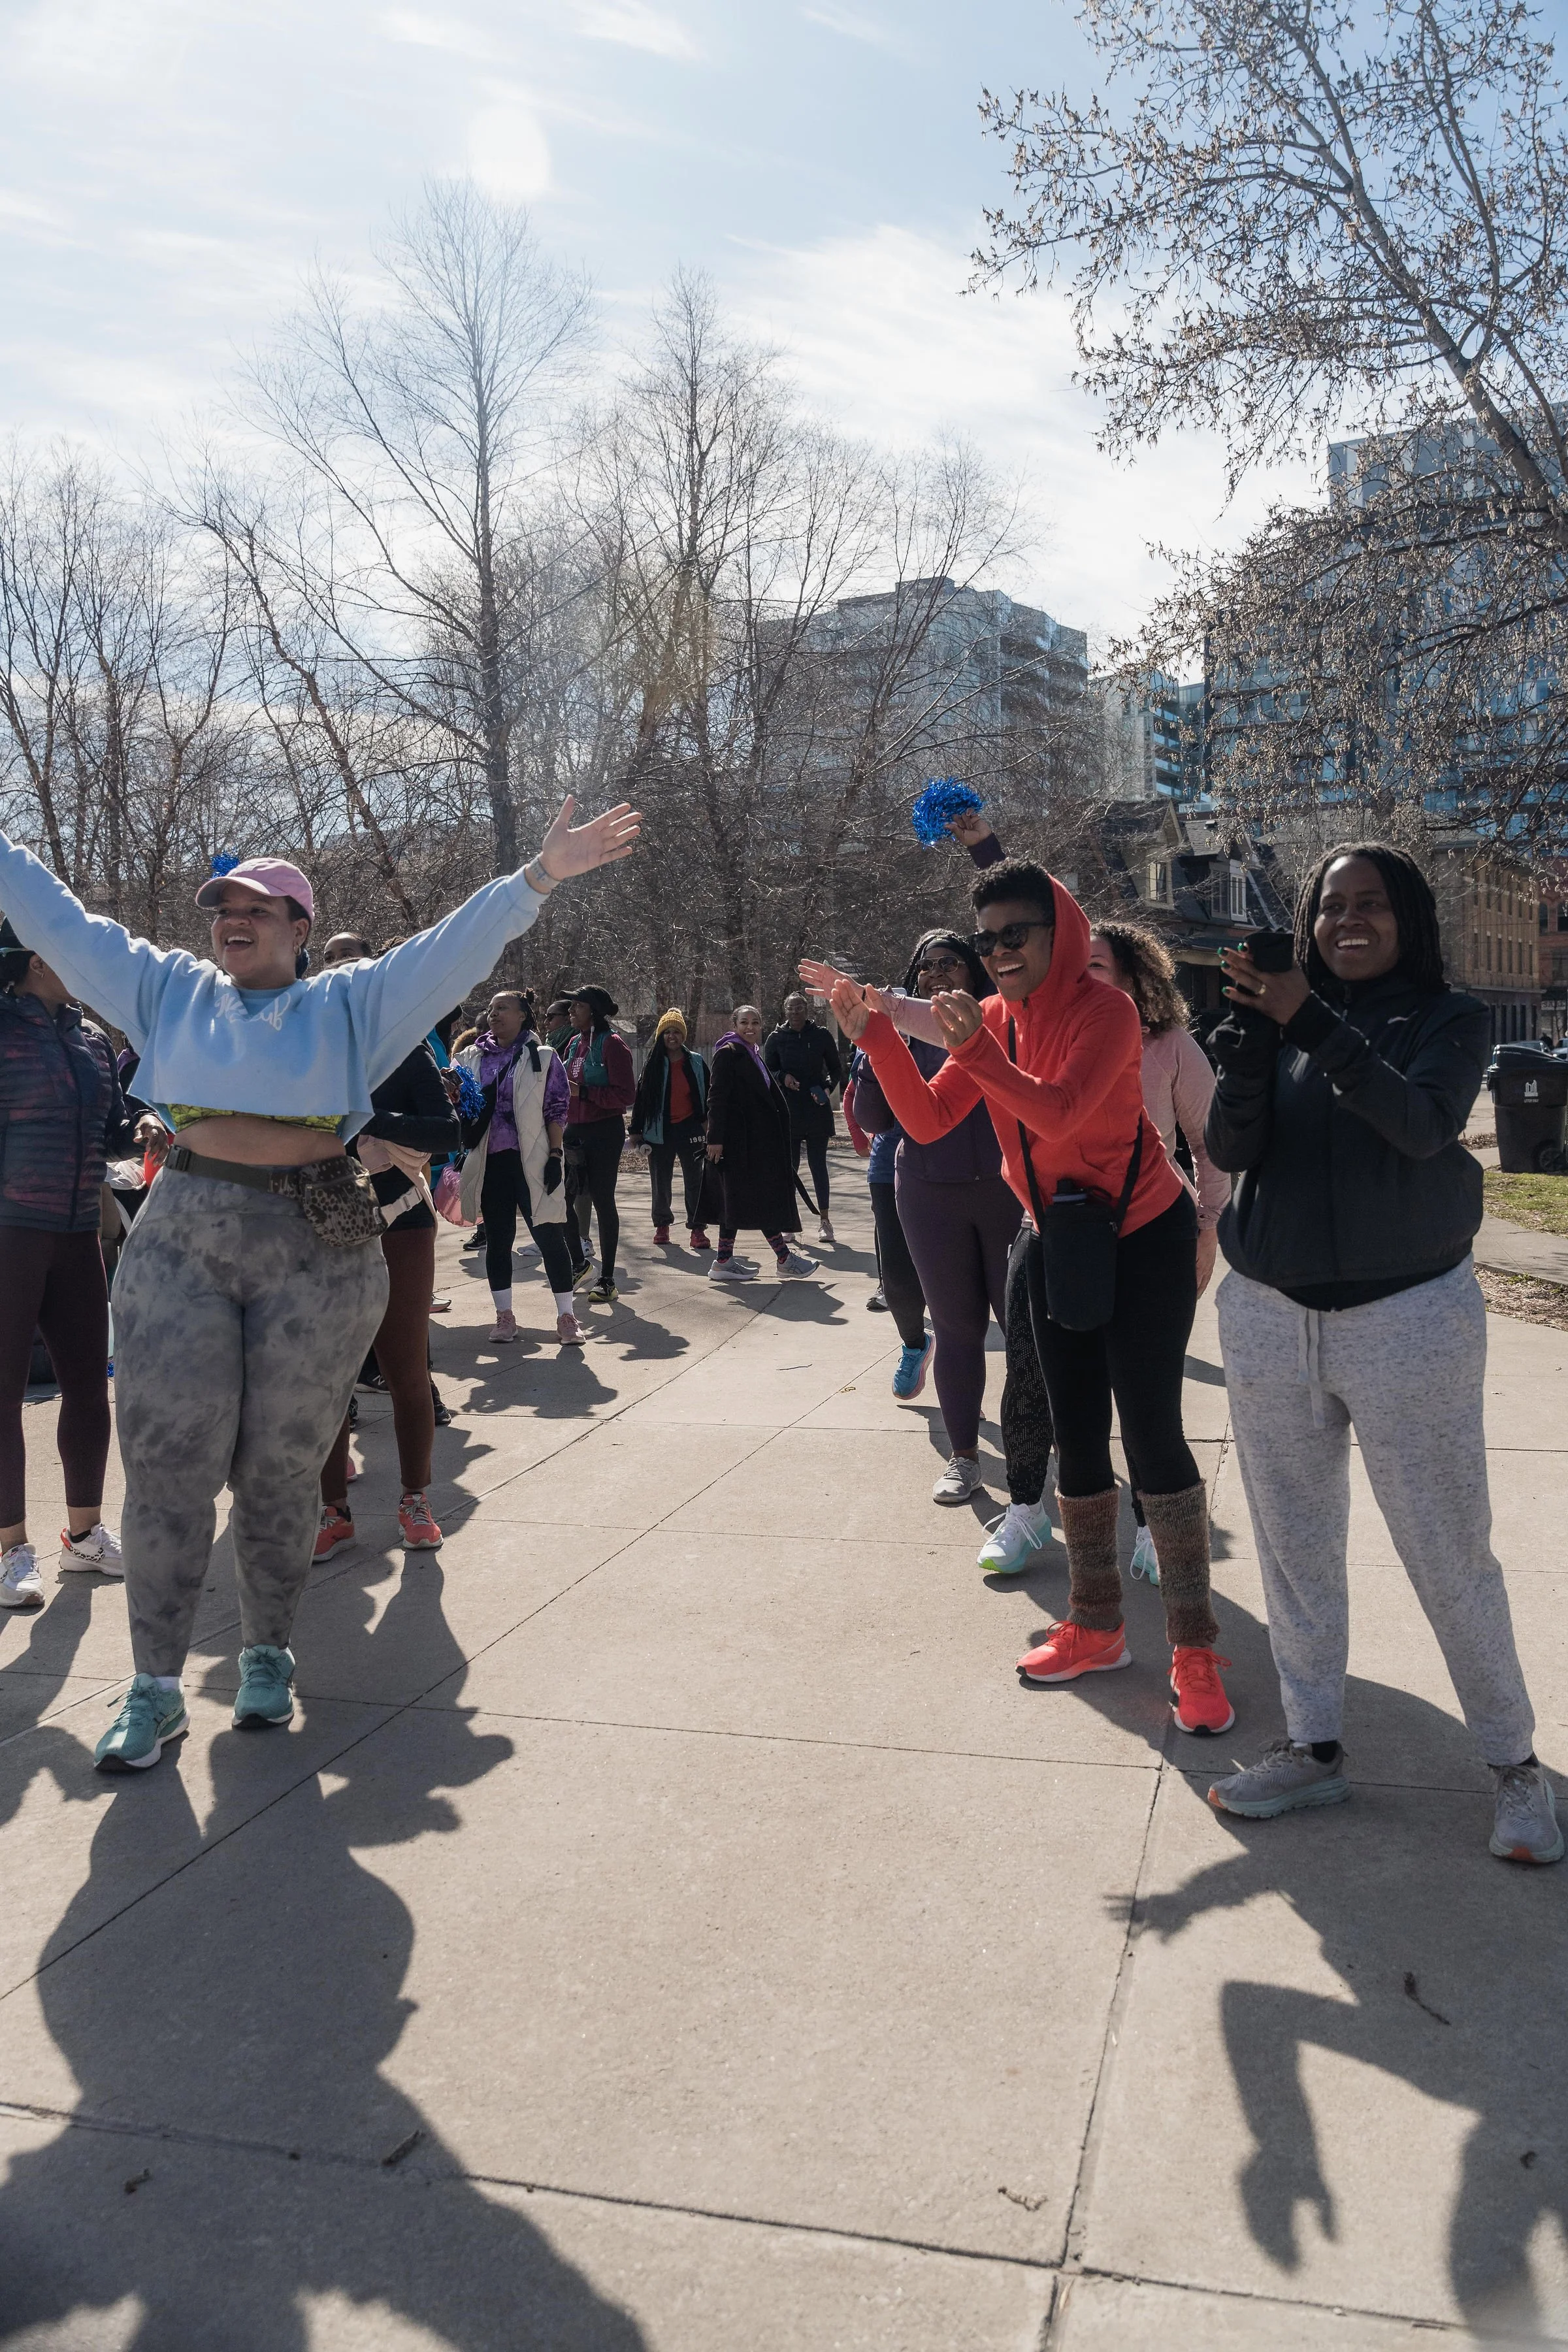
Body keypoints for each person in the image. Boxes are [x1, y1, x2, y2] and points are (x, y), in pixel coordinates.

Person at [0, 794, 640, 1771]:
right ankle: (156, 1686)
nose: (233, 917)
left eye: (256, 906)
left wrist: (541, 876)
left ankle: (265, 1652)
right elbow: (55, 915)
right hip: (185, 1234)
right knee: (169, 1460)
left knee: (284, 1463)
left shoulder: (347, 1003)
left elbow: (450, 949)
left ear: (300, 928)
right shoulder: (165, 989)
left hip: (318, 1238)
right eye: (223, 906)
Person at [1203, 843, 1559, 1863]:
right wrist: (1246, 1057)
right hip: (1270, 1315)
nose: (1346, 922)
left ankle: (1514, 1768)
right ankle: (1313, 1749)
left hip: (1408, 1318)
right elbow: (1229, 1155)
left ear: (1408, 917)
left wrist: (1303, 1021)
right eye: (1329, 907)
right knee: (1294, 1548)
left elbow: (1421, 1125)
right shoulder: (1275, 1025)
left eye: (1370, 905)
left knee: (1448, 1551)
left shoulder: (1445, 1019)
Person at [831, 857, 1233, 1737]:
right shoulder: (999, 1021)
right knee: (1076, 1438)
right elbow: (929, 1122)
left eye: (1016, 934)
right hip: (1055, 1239)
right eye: (987, 938)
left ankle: (1196, 1648)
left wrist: (970, 1044)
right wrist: (875, 1037)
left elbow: (1057, 1113)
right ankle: (1095, 1625)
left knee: (1154, 1435)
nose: (999, 951)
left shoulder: (1109, 1011)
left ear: (1063, 933)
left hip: (1145, 1237)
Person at [849, 930, 1022, 1503]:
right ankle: (965, 1456)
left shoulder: (997, 1022)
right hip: (928, 1194)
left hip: (1004, 1194)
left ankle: (1039, 1448)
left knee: (1024, 1330)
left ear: (975, 973)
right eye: (926, 967)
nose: (938, 974)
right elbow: (873, 1118)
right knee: (956, 1329)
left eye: (950, 964)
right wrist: (876, 1051)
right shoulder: (899, 1030)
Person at [310, 932, 461, 1559]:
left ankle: (415, 1500)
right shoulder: (307, 1048)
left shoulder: (404, 1050)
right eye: (335, 973)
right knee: (327, 1378)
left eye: (358, 973)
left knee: (405, 1369)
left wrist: (370, 1121)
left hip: (401, 1219)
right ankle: (333, 1512)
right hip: (324, 1225)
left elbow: (447, 1129)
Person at [0, 921, 136, 1610]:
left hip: (80, 1228)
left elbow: (109, 1128)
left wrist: (139, 1128)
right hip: (9, 1232)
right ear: (31, 960)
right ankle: (9, 1549)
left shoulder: (91, 1040)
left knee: (89, 1386)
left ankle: (84, 1537)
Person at [1086, 921, 1228, 1580]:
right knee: (1078, 1404)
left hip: (1157, 1233)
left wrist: (1207, 1226)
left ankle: (1153, 1529)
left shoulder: (1171, 1047)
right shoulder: (1056, 1040)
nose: (1079, 978)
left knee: (1149, 1405)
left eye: (1096, 967)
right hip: (1072, 1239)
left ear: (1134, 977)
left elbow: (1209, 1148)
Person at [455, 989, 582, 1346]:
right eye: (492, 1009)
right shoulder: (469, 1057)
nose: (494, 1015)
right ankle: (505, 1318)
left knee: (550, 1239)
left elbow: (557, 1108)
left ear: (524, 1015)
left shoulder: (542, 1056)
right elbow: (460, 1110)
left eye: (504, 1009)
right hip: (489, 1163)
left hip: (534, 1161)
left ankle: (566, 1317)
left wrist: (556, 1156)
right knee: (497, 1241)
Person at [704, 1007, 817, 1282]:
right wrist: (715, 1140)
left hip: (757, 1143)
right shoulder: (729, 1053)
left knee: (738, 1201)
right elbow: (716, 1098)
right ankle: (784, 1259)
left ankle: (724, 1261)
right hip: (737, 1144)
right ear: (734, 1024)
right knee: (758, 1198)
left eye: (755, 1022)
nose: (750, 1027)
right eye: (744, 1022)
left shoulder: (753, 1053)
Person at [561, 986, 634, 1305]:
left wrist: (586, 1093)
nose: (570, 1012)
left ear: (592, 1010)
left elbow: (625, 1096)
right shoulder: (575, 1043)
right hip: (574, 1129)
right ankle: (579, 1264)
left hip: (605, 1131)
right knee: (562, 1198)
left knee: (603, 1199)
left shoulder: (613, 1045)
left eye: (577, 1006)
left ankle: (607, 1278)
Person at [629, 1009, 711, 1247]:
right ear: (660, 1036)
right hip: (659, 1131)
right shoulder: (653, 1064)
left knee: (695, 1181)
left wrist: (710, 1126)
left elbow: (709, 1095)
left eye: (677, 1032)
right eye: (667, 1032)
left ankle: (697, 1230)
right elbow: (641, 1098)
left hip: (691, 1129)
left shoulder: (695, 1061)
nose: (672, 1036)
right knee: (660, 1181)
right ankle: (662, 1226)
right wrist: (636, 1131)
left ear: (683, 1035)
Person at [764, 993, 841, 1247]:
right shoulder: (776, 1039)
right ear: (784, 1011)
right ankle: (789, 1223)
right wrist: (783, 1076)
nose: (795, 1012)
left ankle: (825, 1222)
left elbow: (836, 1069)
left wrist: (827, 1090)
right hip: (789, 1111)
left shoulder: (821, 1036)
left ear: (807, 1011)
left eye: (800, 1008)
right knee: (790, 1168)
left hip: (816, 1109)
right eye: (791, 1008)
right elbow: (769, 1071)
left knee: (819, 1166)